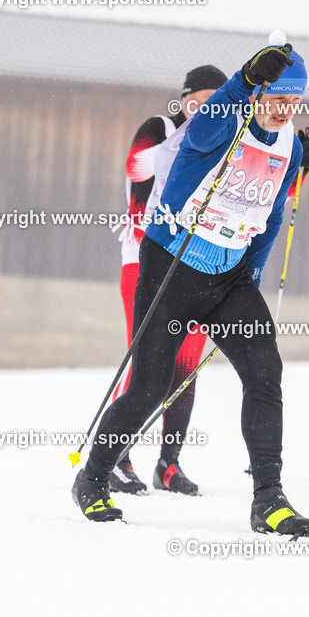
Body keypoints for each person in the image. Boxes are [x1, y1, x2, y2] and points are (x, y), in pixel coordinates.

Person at [73, 43, 309, 535]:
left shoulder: (287, 144)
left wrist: (250, 274)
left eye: (293, 103)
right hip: (172, 267)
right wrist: (244, 78)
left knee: (266, 371)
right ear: (258, 93)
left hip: (228, 277)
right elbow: (208, 123)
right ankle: (94, 477)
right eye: (275, 98)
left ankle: (269, 498)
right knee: (150, 386)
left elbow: (269, 218)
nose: (283, 110)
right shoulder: (221, 123)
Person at [109, 65, 227, 497]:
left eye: (217, 103)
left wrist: (297, 169)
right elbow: (138, 167)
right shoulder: (159, 128)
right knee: (146, 364)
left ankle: (169, 464)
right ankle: (116, 457)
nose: (206, 111)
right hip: (144, 257)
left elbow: (260, 193)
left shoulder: (229, 143)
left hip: (198, 263)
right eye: (198, 103)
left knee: (185, 367)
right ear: (184, 101)